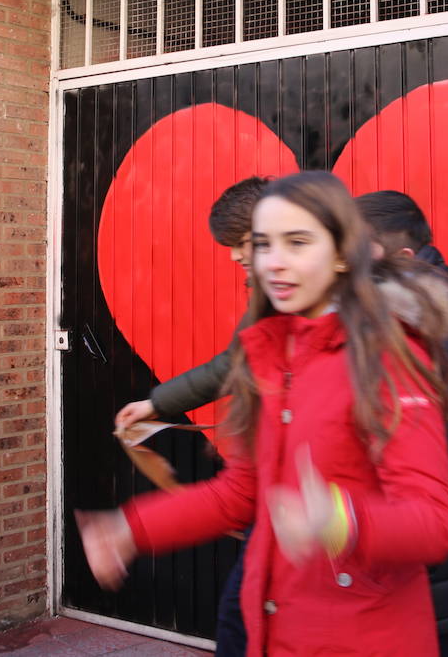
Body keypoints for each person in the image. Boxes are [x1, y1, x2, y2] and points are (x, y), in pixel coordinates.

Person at [81, 171, 448, 656]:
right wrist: (131, 529)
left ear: (344, 253)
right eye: (262, 245)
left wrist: (339, 520)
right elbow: (241, 493)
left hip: (364, 634)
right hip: (279, 626)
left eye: (297, 242)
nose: (274, 263)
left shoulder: (384, 356)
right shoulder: (271, 354)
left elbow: (435, 523)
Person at [114, 174, 268, 656]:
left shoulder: (300, 303)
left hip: (307, 532)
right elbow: (237, 362)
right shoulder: (272, 295)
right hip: (283, 517)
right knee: (240, 622)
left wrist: (132, 531)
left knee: (242, 625)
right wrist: (158, 403)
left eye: (240, 243)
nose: (233, 256)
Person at [356, 190, 448, 656]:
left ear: (403, 257)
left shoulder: (418, 342)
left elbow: (433, 472)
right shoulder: (398, 324)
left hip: (422, 579)